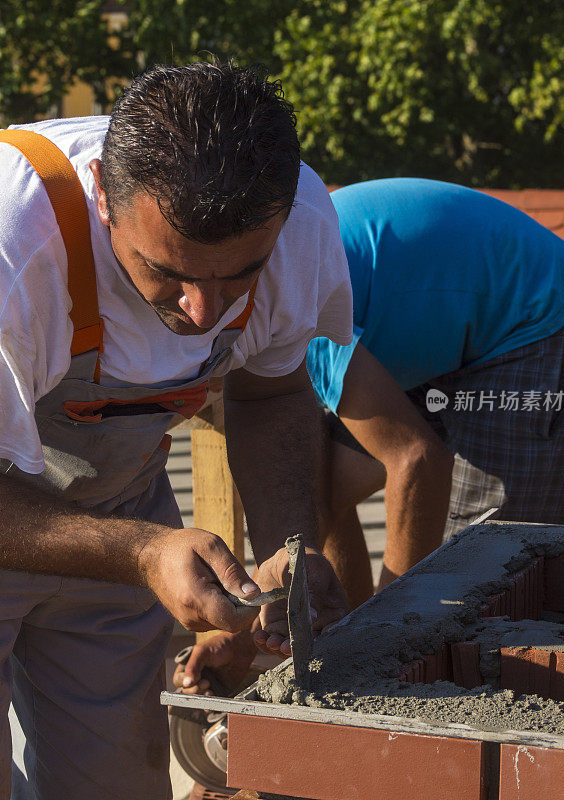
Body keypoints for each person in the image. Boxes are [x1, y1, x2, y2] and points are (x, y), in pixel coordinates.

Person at [0, 60, 351, 799]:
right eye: (166, 273)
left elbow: (268, 393)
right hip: (114, 540)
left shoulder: (300, 225)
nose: (204, 312)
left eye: (237, 277)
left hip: (117, 530)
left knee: (114, 781)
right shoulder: (16, 242)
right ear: (102, 197)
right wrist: (145, 552)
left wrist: (288, 549)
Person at [178, 177, 564, 724]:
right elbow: (308, 499)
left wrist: (390, 636)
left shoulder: (292, 313)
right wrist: (257, 630)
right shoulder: (249, 294)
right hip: (453, 328)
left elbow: (416, 460)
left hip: (538, 321)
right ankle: (348, 654)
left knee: (478, 590)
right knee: (319, 481)